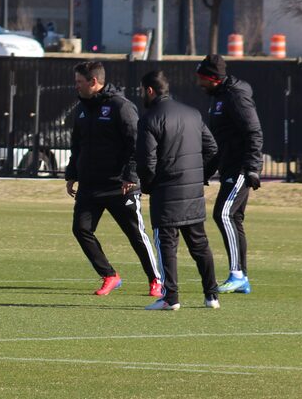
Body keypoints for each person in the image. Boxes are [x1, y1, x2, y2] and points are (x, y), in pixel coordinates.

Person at [65, 61, 162, 297]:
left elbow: (136, 144)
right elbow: (76, 145)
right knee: (81, 229)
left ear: (93, 82)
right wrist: (71, 174)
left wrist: (130, 175)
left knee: (136, 235)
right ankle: (109, 275)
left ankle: (156, 280)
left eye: (79, 81)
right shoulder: (81, 109)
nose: (75, 86)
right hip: (90, 185)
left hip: (120, 186)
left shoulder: (121, 107)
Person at [136, 70, 219, 310]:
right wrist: (201, 176)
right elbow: (213, 149)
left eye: (142, 91)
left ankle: (170, 297)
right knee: (199, 244)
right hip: (192, 192)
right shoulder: (193, 114)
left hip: (166, 191)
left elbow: (146, 162)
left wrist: (149, 185)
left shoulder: (150, 119)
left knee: (166, 244)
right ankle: (211, 295)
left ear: (150, 90)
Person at [196, 54, 263, 294]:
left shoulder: (236, 96)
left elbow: (254, 131)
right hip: (228, 167)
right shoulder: (218, 97)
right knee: (232, 218)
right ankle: (241, 276)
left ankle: (237, 275)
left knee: (223, 214)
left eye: (201, 78)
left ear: (212, 78)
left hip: (241, 168)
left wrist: (253, 167)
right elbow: (219, 143)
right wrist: (206, 171)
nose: (198, 83)